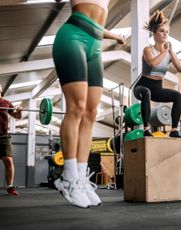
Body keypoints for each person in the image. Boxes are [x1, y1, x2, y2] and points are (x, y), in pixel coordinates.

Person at [52, 0, 126, 208]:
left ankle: (81, 181)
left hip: (95, 45)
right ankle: (67, 178)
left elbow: (96, 21)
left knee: (91, 111)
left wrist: (116, 36)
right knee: (77, 106)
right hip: (73, 36)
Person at [133, 10, 181, 138]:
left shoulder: (168, 53)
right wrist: (165, 50)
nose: (165, 34)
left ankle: (173, 130)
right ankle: (145, 129)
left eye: (167, 32)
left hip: (157, 88)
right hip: (142, 85)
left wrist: (171, 52)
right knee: (146, 92)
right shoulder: (148, 49)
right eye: (162, 31)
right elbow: (152, 63)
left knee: (178, 96)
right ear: (154, 34)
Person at [0, 84, 23, 196]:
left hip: (3, 136)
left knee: (9, 161)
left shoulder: (7, 103)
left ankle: (10, 187)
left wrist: (19, 111)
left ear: (1, 89)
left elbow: (16, 116)